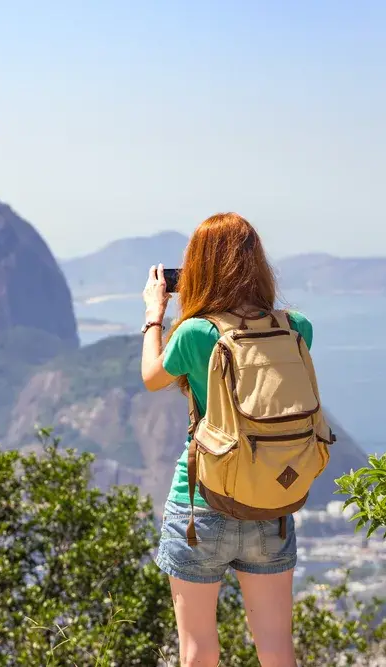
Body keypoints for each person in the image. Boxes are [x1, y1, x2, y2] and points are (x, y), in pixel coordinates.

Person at [140, 212, 312, 667]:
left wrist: (154, 316)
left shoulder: (196, 333)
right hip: (272, 500)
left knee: (198, 650)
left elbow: (151, 377)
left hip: (201, 503)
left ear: (198, 267)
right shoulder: (296, 327)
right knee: (276, 648)